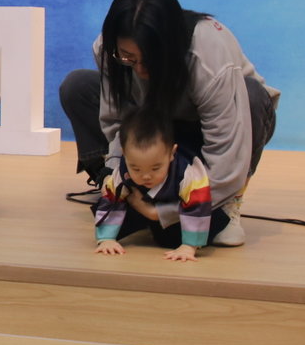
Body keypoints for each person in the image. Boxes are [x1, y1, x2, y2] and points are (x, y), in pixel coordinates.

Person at [60, 0, 279, 246]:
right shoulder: (110, 48)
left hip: (209, 128)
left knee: (252, 93)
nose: (140, 70)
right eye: (129, 58)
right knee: (78, 86)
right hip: (155, 123)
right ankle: (125, 187)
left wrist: (166, 212)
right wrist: (118, 176)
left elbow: (226, 150)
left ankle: (226, 205)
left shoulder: (208, 53)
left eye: (150, 60)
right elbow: (116, 121)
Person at [93, 108, 218, 261]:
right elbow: (111, 199)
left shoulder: (188, 174)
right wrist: (106, 239)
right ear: (124, 154)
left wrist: (189, 246)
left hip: (178, 203)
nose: (146, 176)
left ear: (172, 153)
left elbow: (198, 207)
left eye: (155, 168)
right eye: (136, 168)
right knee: (109, 200)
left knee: (172, 237)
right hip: (145, 197)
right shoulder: (122, 171)